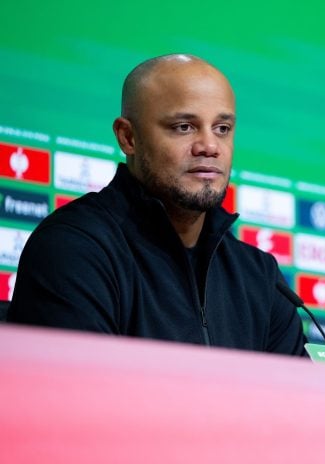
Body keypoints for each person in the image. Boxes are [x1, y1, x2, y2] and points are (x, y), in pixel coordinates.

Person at [8, 54, 306, 355]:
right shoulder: (74, 248)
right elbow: (77, 396)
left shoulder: (259, 276)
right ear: (128, 137)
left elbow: (298, 398)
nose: (210, 146)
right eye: (184, 127)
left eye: (222, 129)